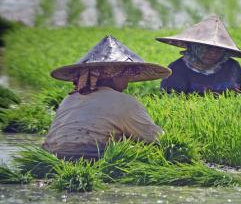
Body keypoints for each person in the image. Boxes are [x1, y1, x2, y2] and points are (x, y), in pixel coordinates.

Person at [42, 35, 171, 160]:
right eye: (126, 76)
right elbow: (154, 138)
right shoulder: (124, 102)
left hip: (51, 156)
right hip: (92, 157)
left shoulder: (69, 99)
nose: (127, 83)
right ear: (115, 75)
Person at [158, 15, 241, 95]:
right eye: (206, 47)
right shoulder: (177, 69)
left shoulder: (232, 67)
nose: (213, 53)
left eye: (218, 49)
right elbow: (171, 100)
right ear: (194, 47)